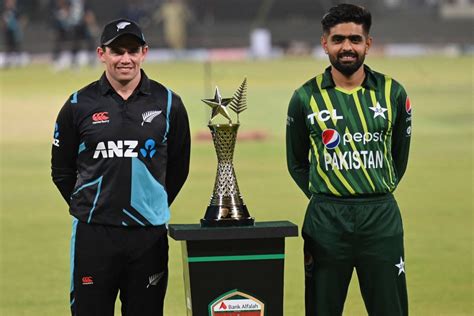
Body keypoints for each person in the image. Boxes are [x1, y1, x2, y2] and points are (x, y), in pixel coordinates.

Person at [51, 18, 190, 316]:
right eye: (117, 51)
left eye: (132, 50)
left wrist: (150, 204)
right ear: (102, 54)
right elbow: (61, 170)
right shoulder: (78, 104)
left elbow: (179, 167)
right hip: (94, 235)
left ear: (144, 52)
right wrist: (90, 207)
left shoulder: (169, 103)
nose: (125, 59)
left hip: (148, 237)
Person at [286, 4, 411, 316]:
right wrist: (325, 194)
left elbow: (399, 155)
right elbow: (297, 161)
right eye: (338, 39)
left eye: (355, 39)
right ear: (325, 43)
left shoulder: (393, 92)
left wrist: (375, 187)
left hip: (380, 217)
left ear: (367, 44)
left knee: (390, 309)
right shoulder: (305, 96)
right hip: (326, 219)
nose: (347, 47)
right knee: (321, 309)